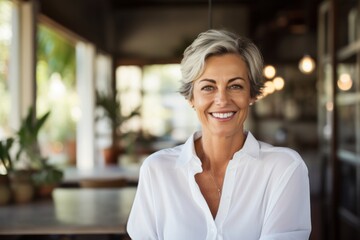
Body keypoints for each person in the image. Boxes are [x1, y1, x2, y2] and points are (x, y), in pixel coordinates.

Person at [127, 29, 311, 240]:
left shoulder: (284, 169)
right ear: (191, 98)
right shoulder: (156, 171)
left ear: (251, 94)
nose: (222, 100)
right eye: (208, 87)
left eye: (235, 86)